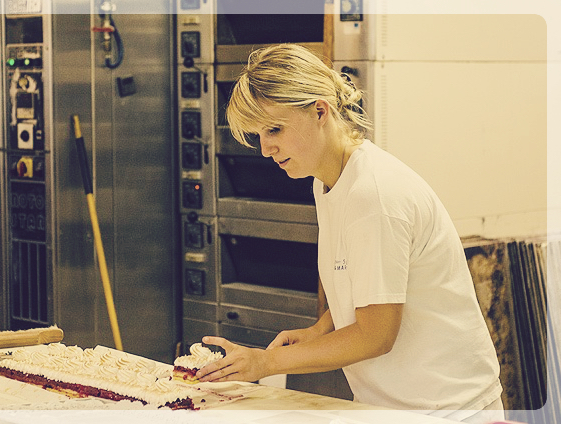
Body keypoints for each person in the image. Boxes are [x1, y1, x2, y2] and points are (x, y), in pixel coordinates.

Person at [195, 44, 504, 423]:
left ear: (320, 111)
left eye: (274, 129)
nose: (265, 149)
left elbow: (376, 335)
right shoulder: (328, 183)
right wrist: (320, 330)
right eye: (258, 135)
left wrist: (265, 361)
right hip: (390, 405)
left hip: (448, 408)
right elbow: (368, 292)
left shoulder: (374, 195)